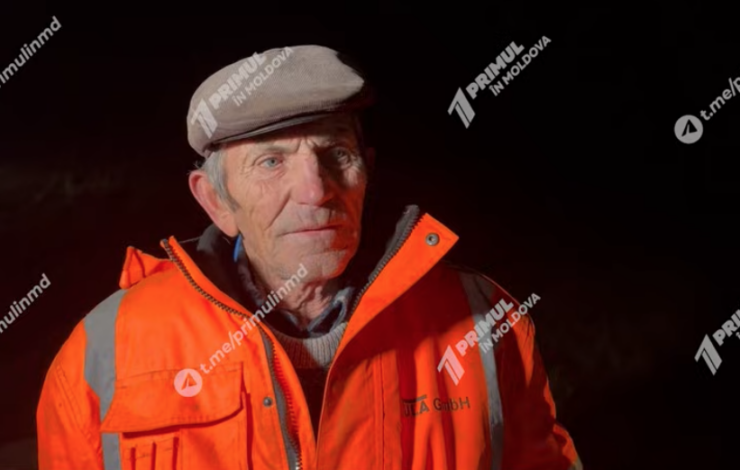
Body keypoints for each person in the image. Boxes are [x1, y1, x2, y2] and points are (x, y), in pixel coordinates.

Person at [36, 44, 582, 470]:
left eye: (335, 153)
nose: (316, 191)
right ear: (215, 201)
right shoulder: (102, 354)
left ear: (367, 172)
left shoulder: (483, 319)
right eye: (271, 162)